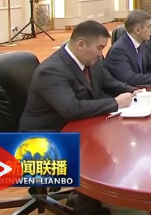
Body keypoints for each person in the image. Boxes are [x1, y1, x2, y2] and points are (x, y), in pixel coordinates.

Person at [19, 20, 137, 215]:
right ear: (81, 44)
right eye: (99, 48)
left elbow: (109, 82)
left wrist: (133, 91)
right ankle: (87, 208)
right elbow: (71, 109)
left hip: (75, 129)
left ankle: (87, 196)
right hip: (42, 140)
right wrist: (116, 103)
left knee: (119, 141)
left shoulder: (90, 62)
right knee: (98, 155)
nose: (101, 53)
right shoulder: (52, 70)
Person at [103, 10, 151, 86]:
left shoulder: (140, 43)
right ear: (137, 30)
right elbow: (129, 78)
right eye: (148, 27)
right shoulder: (119, 50)